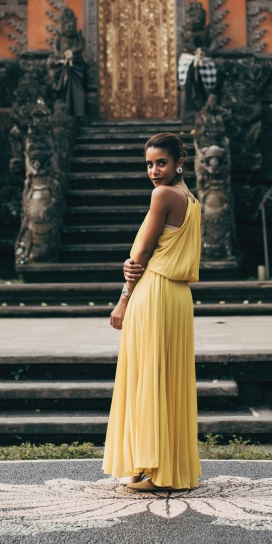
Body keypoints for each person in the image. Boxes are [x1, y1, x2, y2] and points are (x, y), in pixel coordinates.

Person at [102, 132, 201, 491]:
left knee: (148, 377)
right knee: (166, 380)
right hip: (177, 297)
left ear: (179, 161)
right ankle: (161, 468)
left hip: (154, 292)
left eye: (161, 162)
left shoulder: (162, 195)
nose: (154, 171)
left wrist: (123, 298)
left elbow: (140, 256)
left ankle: (151, 469)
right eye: (149, 164)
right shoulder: (191, 199)